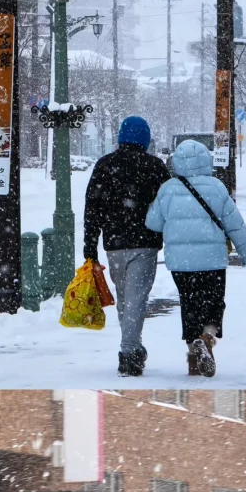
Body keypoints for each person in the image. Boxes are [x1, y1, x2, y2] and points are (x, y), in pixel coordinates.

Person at [145, 137, 246, 377]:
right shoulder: (216, 187)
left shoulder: (168, 189)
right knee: (215, 302)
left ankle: (194, 355)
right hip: (212, 260)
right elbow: (234, 223)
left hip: (180, 262)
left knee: (189, 303)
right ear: (206, 161)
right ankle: (207, 337)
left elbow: (152, 223)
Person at [82, 115, 170, 378]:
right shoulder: (155, 167)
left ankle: (132, 347)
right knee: (136, 299)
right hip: (145, 243)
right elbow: (168, 205)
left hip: (114, 244)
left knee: (125, 299)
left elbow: (92, 208)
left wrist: (90, 247)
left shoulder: (105, 165)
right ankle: (128, 353)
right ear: (145, 139)